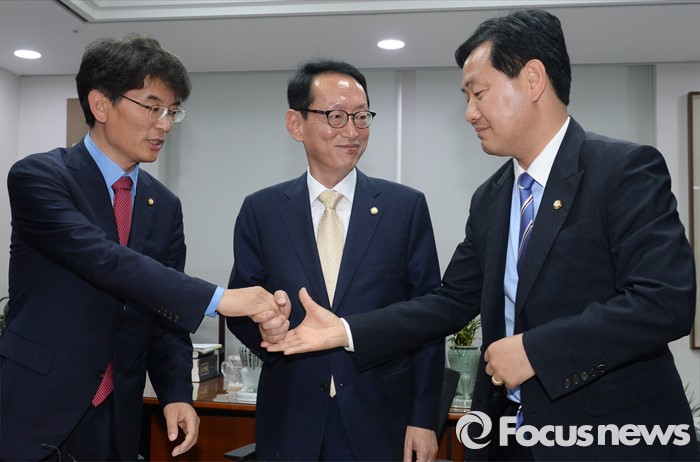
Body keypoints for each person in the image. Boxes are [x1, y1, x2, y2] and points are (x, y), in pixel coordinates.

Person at [266, 10, 700, 461]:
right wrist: (344, 330)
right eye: (467, 97)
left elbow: (663, 302)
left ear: (533, 80)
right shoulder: (491, 197)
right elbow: (450, 302)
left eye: (479, 93)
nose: (470, 112)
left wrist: (535, 351)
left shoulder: (622, 170)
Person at [1, 34, 288, 461]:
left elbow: (164, 315)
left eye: (172, 111)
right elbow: (103, 259)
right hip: (37, 409)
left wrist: (175, 393)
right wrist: (218, 299)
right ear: (101, 105)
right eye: (152, 108)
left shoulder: (164, 205)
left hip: (118, 418)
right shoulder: (40, 177)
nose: (165, 124)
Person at [226, 59, 445, 461]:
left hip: (382, 419)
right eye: (336, 116)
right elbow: (239, 306)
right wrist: (268, 331)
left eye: (361, 116)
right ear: (296, 124)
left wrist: (424, 418)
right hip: (291, 418)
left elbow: (428, 319)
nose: (352, 131)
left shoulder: (404, 207)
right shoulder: (262, 210)